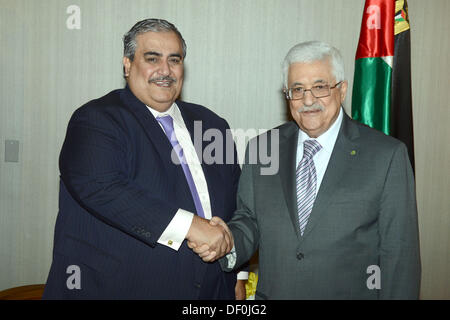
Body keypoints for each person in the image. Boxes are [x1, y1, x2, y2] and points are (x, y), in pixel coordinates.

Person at [195, 41, 421, 299]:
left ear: (342, 89)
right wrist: (227, 241)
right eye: (298, 89)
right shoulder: (262, 149)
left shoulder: (386, 156)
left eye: (320, 87)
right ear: (287, 94)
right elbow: (249, 219)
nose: (308, 100)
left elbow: (400, 257)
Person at [43, 18, 246, 299]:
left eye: (174, 60)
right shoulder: (96, 120)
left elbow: (239, 203)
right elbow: (102, 188)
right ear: (127, 64)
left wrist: (238, 271)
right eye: (152, 58)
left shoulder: (213, 125)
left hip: (212, 291)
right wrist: (191, 226)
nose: (165, 70)